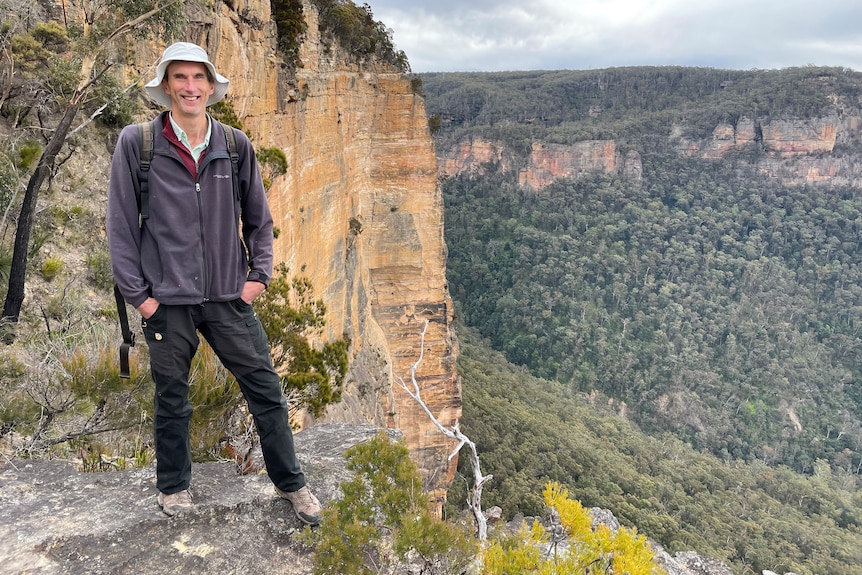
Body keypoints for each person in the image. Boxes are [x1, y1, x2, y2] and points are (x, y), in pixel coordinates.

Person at [106, 42, 321, 524]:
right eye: (179, 78)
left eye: (197, 78)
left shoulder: (234, 144)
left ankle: (292, 485)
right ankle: (174, 489)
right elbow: (120, 228)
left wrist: (257, 279)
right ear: (166, 87)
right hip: (167, 301)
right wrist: (141, 300)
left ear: (210, 86)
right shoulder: (137, 144)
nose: (189, 87)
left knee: (265, 389)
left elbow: (259, 221)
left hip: (228, 297)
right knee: (172, 397)